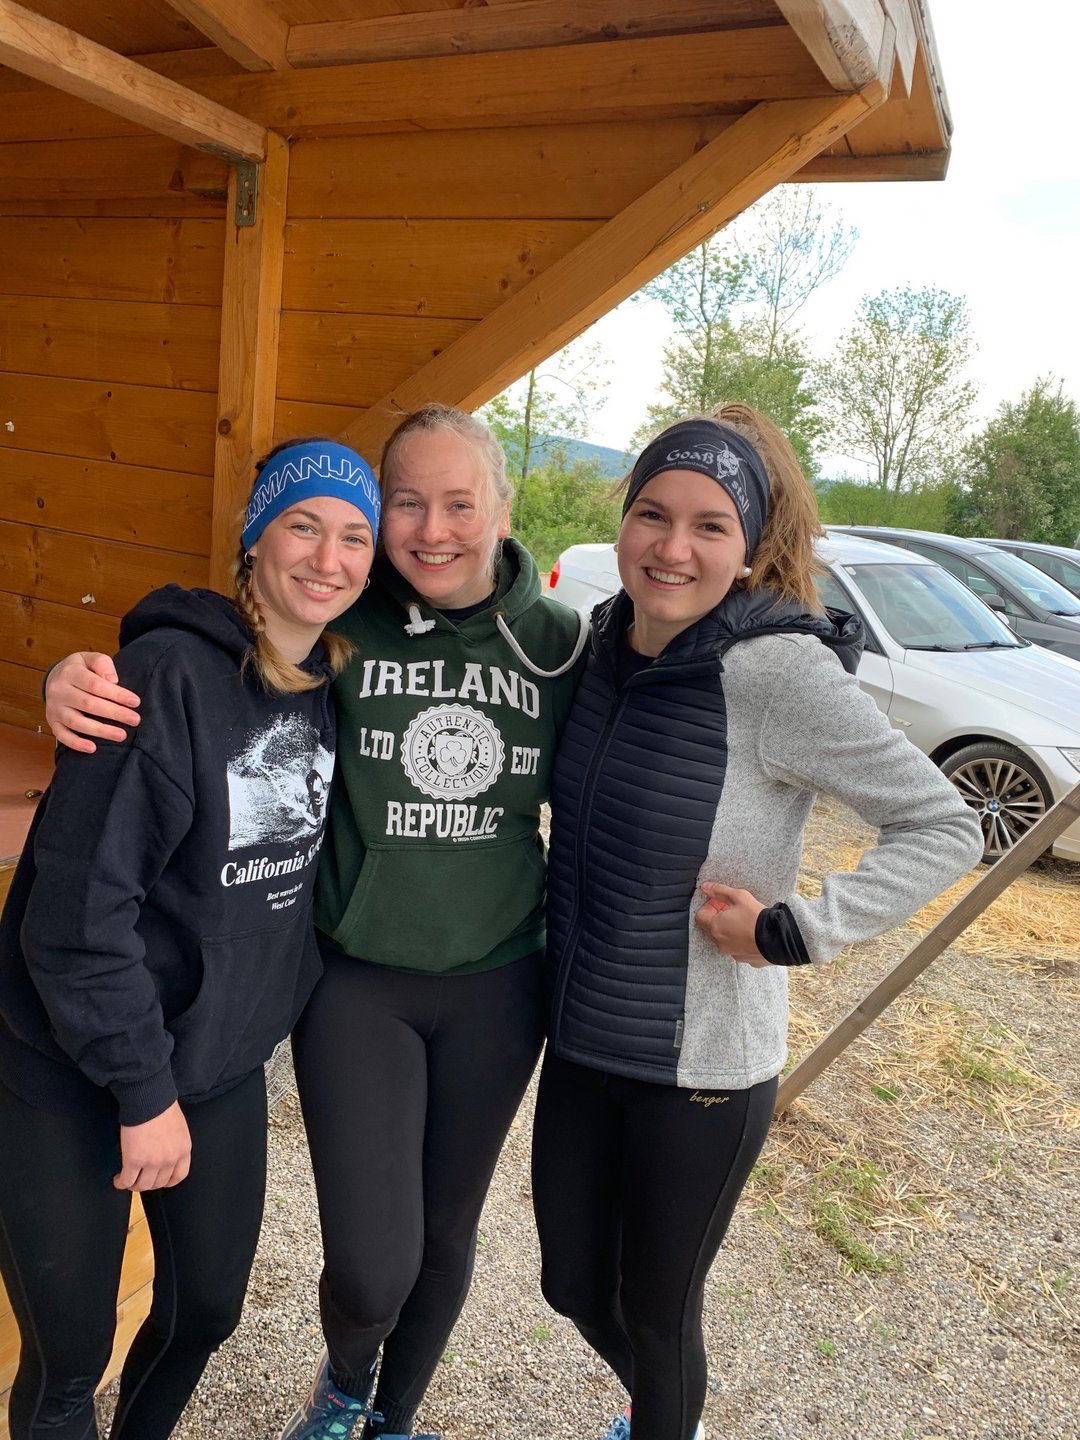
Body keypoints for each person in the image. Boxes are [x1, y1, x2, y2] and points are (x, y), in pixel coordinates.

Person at [41, 404, 589, 1440]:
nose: (432, 530)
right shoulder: (347, 620)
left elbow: (632, 759)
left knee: (442, 1238)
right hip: (355, 976)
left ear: (504, 509)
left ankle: (390, 1417)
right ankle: (345, 1379)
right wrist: (66, 679)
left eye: (460, 504)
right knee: (374, 1263)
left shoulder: (559, 647)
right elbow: (204, 648)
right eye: (407, 505)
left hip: (499, 976)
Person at [530, 407, 985, 1440]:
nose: (673, 546)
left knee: (659, 1317)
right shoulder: (601, 645)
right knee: (570, 1284)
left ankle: (664, 1418)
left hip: (704, 1068)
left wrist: (796, 930)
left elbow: (942, 824)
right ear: (623, 523)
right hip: (584, 1039)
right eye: (652, 514)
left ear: (747, 550)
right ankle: (669, 1414)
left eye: (709, 526)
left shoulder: (777, 671)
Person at [0, 439, 381, 1440]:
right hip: (65, 1068)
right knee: (68, 1365)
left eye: (354, 537)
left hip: (212, 1062)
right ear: (254, 538)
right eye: (303, 524)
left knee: (205, 1310)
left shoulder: (329, 685)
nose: (327, 557)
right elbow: (73, 921)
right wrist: (143, 1092)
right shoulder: (163, 676)